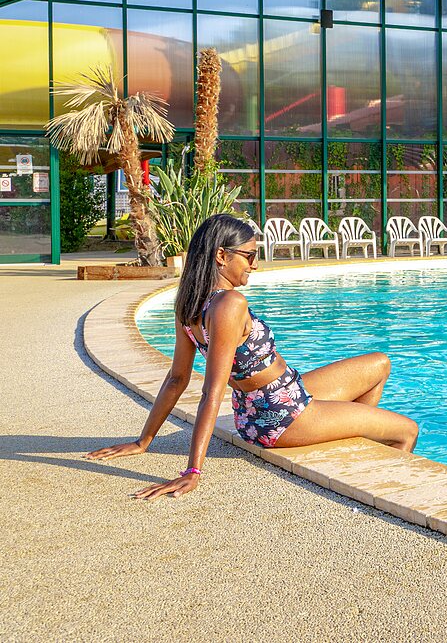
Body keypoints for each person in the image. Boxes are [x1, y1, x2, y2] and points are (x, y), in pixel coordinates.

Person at [87, 213, 419, 499]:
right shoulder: (229, 304)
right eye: (249, 256)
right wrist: (192, 469)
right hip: (284, 417)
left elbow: (177, 378)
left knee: (379, 364)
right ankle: (379, 484)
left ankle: (348, 447)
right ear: (221, 255)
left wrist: (144, 441)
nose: (255, 264)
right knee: (407, 430)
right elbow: (212, 390)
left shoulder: (189, 303)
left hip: (266, 406)